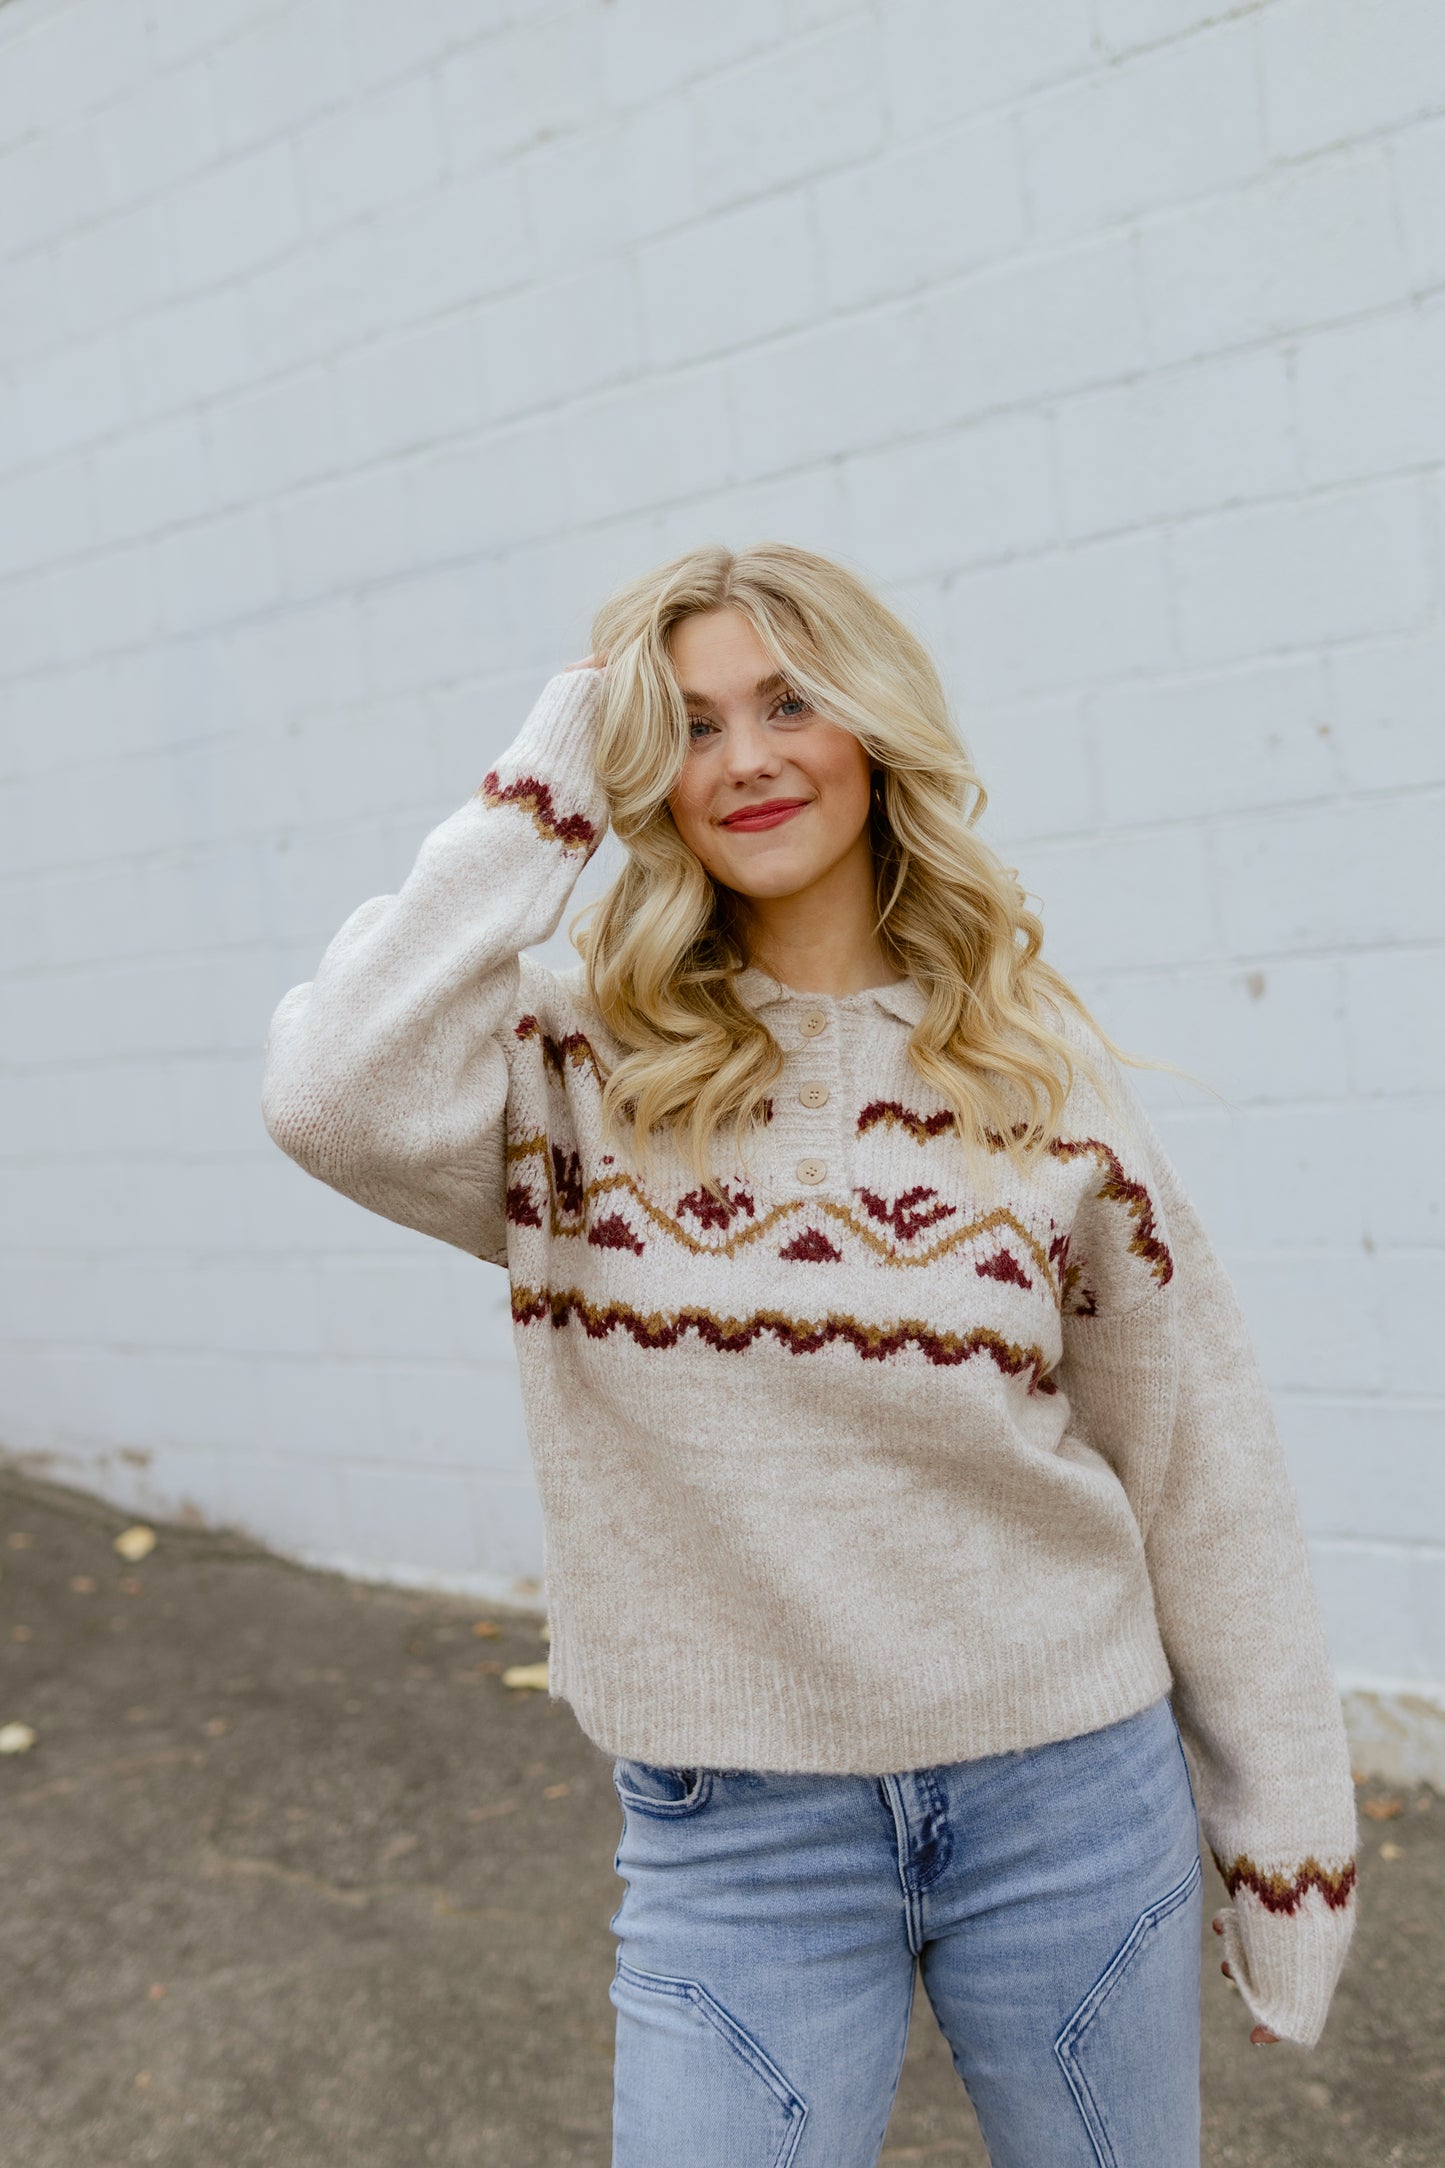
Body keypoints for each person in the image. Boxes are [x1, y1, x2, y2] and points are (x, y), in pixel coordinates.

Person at [261, 542, 1357, 2166]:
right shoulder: (569, 1078)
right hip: (737, 1838)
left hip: (1064, 1797)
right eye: (689, 723)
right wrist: (557, 766)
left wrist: (1288, 1834)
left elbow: (1194, 1459)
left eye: (787, 702)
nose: (748, 756)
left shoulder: (1032, 1078)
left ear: (874, 728)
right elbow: (331, 1097)